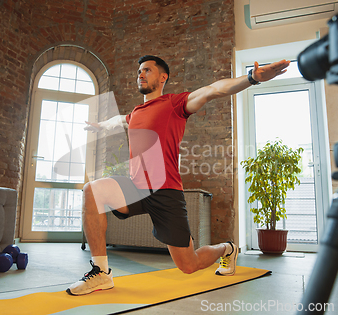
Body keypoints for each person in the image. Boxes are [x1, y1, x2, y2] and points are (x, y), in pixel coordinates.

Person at [66, 55, 290, 296]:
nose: (140, 74)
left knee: (188, 264)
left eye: (147, 71)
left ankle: (227, 249)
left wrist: (252, 78)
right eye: (139, 71)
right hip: (137, 187)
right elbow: (121, 121)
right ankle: (101, 272)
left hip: (166, 192)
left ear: (163, 77)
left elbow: (213, 90)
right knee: (92, 190)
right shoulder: (136, 113)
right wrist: (102, 125)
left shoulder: (174, 104)